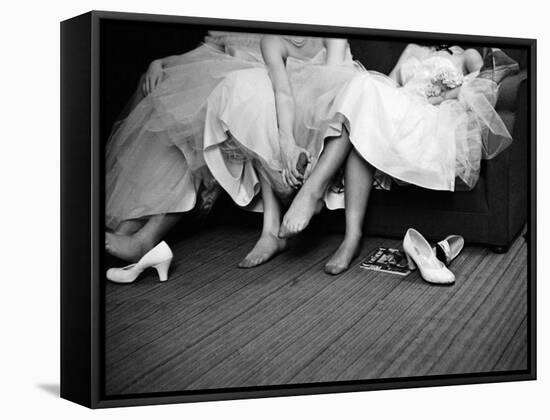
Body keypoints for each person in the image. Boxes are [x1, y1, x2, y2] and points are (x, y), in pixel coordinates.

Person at [279, 43, 513, 274]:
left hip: (431, 119)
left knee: (363, 110)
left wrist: (439, 96)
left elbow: (482, 89)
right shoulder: (412, 48)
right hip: (400, 110)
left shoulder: (467, 53)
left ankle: (314, 195)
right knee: (364, 96)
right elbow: (389, 84)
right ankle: (351, 236)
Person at [105, 32, 267, 262]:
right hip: (224, 76)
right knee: (163, 89)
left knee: (196, 116)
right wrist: (162, 63)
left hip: (257, 85)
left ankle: (145, 238)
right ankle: (127, 227)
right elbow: (208, 52)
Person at [202, 35, 362, 267]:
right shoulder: (271, 40)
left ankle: (312, 189)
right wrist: (287, 145)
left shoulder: (330, 29)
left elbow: (330, 90)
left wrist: (313, 150)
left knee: (353, 100)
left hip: (332, 103)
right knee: (265, 108)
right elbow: (283, 93)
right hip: (295, 103)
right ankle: (270, 231)